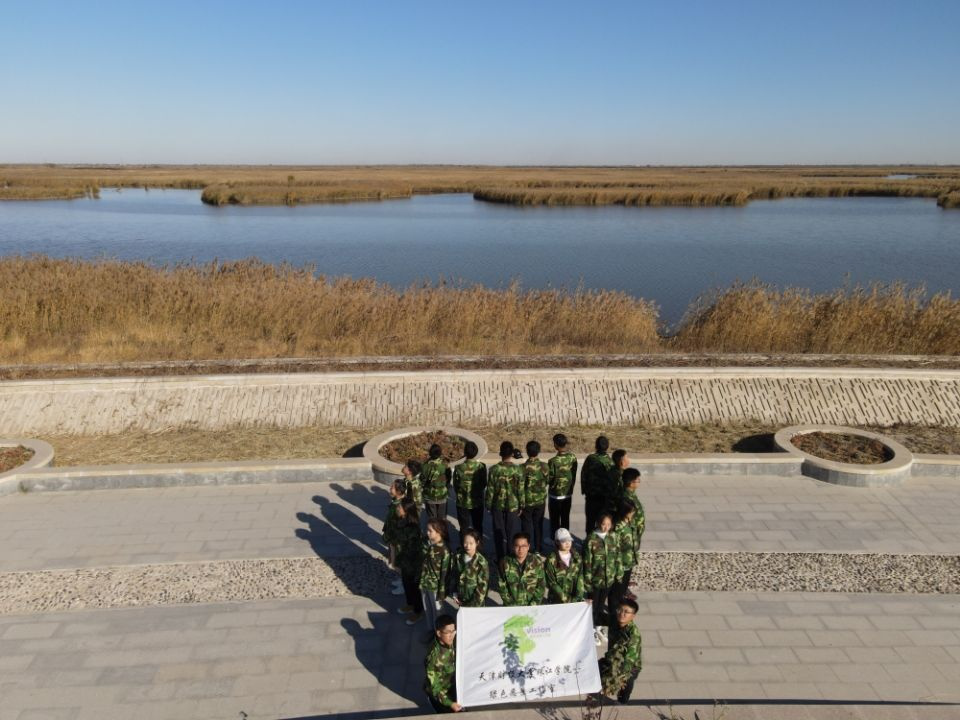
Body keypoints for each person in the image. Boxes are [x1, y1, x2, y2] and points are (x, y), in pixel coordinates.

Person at [582, 512, 621, 644]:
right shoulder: (591, 539)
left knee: (601, 605)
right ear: (599, 523)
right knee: (593, 605)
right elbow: (587, 562)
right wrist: (587, 581)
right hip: (595, 579)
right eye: (604, 524)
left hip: (608, 579)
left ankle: (598, 627)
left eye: (609, 524)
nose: (606, 527)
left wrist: (618, 573)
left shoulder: (613, 536)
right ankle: (591, 628)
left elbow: (617, 556)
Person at [598, 598, 642, 704]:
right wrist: (588, 606)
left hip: (629, 666)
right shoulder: (614, 620)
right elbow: (597, 617)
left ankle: (622, 701)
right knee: (596, 669)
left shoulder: (633, 635)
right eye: (620, 610)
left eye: (626, 612)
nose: (622, 614)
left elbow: (629, 661)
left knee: (627, 681)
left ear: (633, 616)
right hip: (612, 658)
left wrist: (614, 679)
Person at [485, 441, 523, 563]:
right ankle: (511, 557)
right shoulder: (517, 470)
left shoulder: (494, 470)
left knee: (498, 532)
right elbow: (520, 490)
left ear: (500, 453)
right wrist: (522, 505)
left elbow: (490, 489)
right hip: (513, 505)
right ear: (512, 454)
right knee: (512, 532)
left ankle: (500, 558)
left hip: (497, 505)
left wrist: (488, 505)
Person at [424, 614, 463, 713]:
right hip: (441, 696)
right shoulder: (433, 658)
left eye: (453, 631)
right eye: (448, 632)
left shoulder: (450, 640)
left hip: (452, 685)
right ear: (439, 633)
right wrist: (450, 704)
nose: (452, 635)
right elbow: (435, 688)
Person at [395, 500, 426, 625]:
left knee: (414, 586)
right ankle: (410, 604)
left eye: (400, 507)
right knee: (406, 583)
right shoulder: (402, 521)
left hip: (413, 562)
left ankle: (418, 611)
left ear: (406, 510)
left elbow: (412, 548)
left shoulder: (412, 527)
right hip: (405, 560)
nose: (397, 509)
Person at [420, 518, 452, 631]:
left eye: (430, 531)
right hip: (425, 582)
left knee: (438, 612)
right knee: (427, 608)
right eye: (427, 530)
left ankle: (440, 633)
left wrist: (442, 591)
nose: (427, 532)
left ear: (439, 532)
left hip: (436, 587)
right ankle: (431, 631)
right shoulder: (426, 543)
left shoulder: (444, 550)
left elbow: (445, 573)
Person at [498, 532, 546, 606]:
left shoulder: (537, 562)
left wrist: (533, 604)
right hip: (511, 607)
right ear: (513, 546)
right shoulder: (504, 562)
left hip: (532, 606)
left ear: (528, 547)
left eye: (523, 546)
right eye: (517, 546)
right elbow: (502, 586)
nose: (520, 549)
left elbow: (541, 585)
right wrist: (511, 605)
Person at [452, 440, 486, 543]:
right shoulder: (481, 467)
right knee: (478, 526)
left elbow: (455, 486)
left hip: (462, 502)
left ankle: (464, 548)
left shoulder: (458, 468)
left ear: (465, 452)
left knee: (464, 528)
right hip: (477, 502)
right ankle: (479, 548)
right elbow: (484, 484)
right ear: (476, 452)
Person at [521, 440, 549, 554]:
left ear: (527, 451)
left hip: (527, 501)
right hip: (540, 501)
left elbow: (520, 486)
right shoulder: (544, 466)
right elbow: (547, 481)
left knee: (526, 525)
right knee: (538, 525)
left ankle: (526, 548)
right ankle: (538, 548)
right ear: (539, 451)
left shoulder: (522, 467)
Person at [547, 433, 578, 539]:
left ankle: (554, 539)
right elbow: (573, 474)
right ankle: (565, 539)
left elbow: (549, 478)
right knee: (565, 518)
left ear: (555, 445)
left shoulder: (553, 461)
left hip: (555, 495)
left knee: (554, 520)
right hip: (567, 493)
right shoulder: (572, 457)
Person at [581, 436, 613, 536]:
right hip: (605, 498)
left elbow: (583, 475)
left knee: (590, 521)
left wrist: (585, 490)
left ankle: (589, 540)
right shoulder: (610, 461)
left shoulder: (591, 459)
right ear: (607, 447)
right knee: (603, 521)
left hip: (591, 496)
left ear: (596, 446)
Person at [544, 528, 586, 603]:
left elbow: (580, 576)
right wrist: (566, 599)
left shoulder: (576, 557)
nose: (567, 543)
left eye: (569, 540)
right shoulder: (551, 560)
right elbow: (552, 582)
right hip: (557, 600)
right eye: (563, 541)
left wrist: (579, 596)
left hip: (574, 599)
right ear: (557, 542)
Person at [451, 528, 489, 608]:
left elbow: (482, 586)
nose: (468, 546)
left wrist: (472, 606)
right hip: (461, 600)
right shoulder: (458, 556)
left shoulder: (481, 562)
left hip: (476, 604)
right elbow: (455, 575)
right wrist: (455, 593)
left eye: (471, 543)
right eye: (465, 543)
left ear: (477, 543)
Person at [612, 503, 640, 606]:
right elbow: (615, 547)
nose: (633, 513)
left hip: (630, 560)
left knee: (624, 585)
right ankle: (614, 608)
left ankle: (621, 602)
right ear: (625, 512)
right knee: (617, 589)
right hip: (621, 563)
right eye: (631, 511)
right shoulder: (619, 527)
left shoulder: (631, 522)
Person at [382, 478, 407, 596]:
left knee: (399, 562)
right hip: (393, 537)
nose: (390, 489)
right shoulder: (395, 501)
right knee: (394, 561)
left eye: (392, 487)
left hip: (398, 539)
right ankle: (402, 580)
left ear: (398, 491)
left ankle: (405, 585)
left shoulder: (401, 506)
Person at [422, 444, 452, 522]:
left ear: (430, 453)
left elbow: (422, 480)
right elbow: (449, 478)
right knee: (442, 519)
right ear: (440, 453)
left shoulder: (424, 466)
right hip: (442, 495)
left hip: (429, 496)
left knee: (432, 519)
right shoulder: (444, 465)